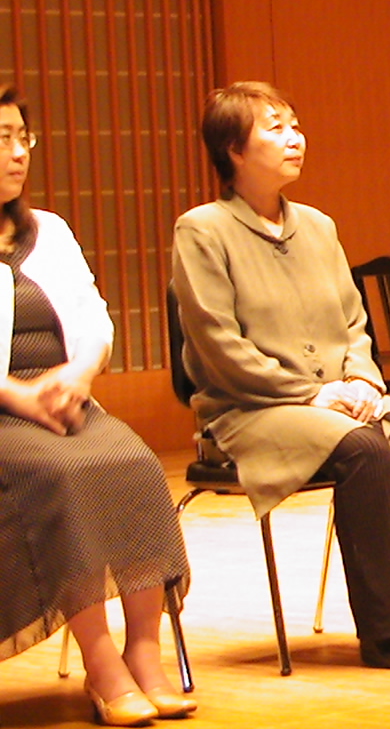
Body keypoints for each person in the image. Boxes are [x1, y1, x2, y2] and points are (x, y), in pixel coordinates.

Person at [171, 82, 390, 670]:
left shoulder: (318, 226)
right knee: (365, 449)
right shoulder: (201, 229)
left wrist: (362, 380)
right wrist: (312, 393)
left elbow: (354, 322)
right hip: (251, 409)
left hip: (336, 399)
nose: (295, 139)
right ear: (234, 149)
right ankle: (388, 630)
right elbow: (217, 345)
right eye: (276, 128)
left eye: (296, 125)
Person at [0, 88, 195, 726]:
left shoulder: (49, 230)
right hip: (5, 409)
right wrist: (21, 395)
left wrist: (80, 374)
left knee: (134, 463)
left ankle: (146, 651)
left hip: (65, 392)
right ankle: (102, 662)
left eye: (22, 138)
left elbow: (94, 318)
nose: (17, 153)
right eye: (1, 139)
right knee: (64, 474)